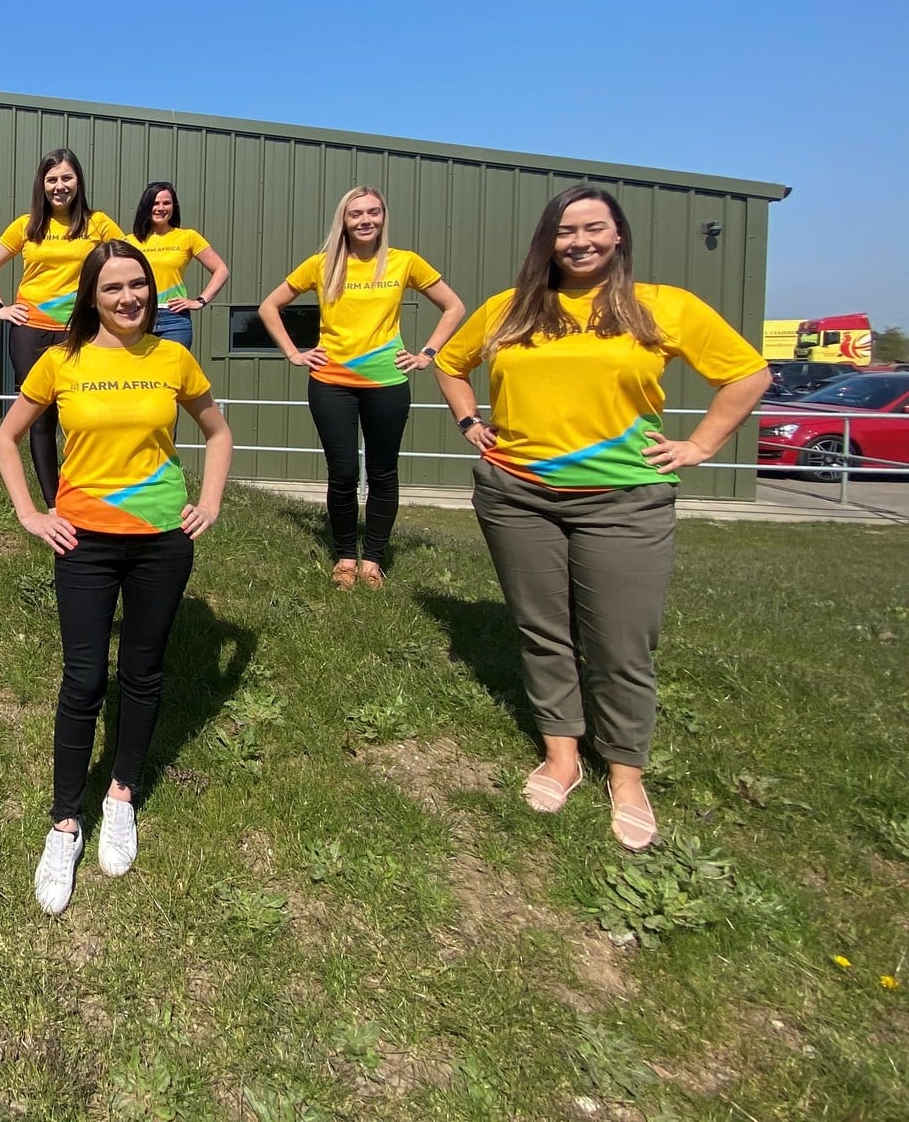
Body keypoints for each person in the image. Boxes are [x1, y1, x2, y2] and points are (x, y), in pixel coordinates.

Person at [432, 186, 769, 851]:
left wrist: (701, 446)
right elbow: (450, 362)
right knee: (542, 629)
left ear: (618, 236)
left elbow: (748, 374)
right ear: (547, 241)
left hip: (624, 501)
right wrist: (470, 420)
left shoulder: (662, 306)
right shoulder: (510, 308)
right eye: (565, 230)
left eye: (594, 228)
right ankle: (561, 756)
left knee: (621, 641)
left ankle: (626, 772)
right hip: (515, 494)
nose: (579, 240)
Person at [0, 240, 233, 916]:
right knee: (84, 678)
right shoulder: (60, 360)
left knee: (144, 673)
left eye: (137, 286)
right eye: (113, 288)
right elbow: (7, 438)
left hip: (161, 541)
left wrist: (209, 502)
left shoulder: (173, 357)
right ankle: (65, 822)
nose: (128, 298)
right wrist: (30, 514)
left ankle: (121, 793)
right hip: (85, 541)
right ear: (91, 296)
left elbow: (218, 433)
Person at [257, 187, 465, 589]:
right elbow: (269, 306)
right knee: (344, 472)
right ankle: (345, 557)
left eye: (373, 212)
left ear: (383, 217)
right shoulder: (321, 265)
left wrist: (427, 353)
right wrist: (294, 353)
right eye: (356, 214)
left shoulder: (405, 262)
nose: (365, 220)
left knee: (383, 472)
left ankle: (373, 559)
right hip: (331, 381)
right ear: (344, 220)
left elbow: (454, 306)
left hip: (387, 381)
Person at [0, 149, 123, 504]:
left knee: (83, 411)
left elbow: (129, 261)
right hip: (30, 331)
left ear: (79, 181)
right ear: (42, 184)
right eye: (52, 179)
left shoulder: (98, 223)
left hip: (80, 331)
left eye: (66, 178)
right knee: (40, 417)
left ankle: (87, 486)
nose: (60, 186)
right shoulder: (27, 225)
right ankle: (55, 503)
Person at [129, 181, 230, 349]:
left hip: (174, 320)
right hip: (138, 317)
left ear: (173, 206)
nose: (161, 208)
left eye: (166, 203)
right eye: (155, 203)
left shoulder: (188, 237)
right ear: (146, 206)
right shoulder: (129, 241)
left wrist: (200, 301)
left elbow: (221, 270)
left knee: (174, 373)